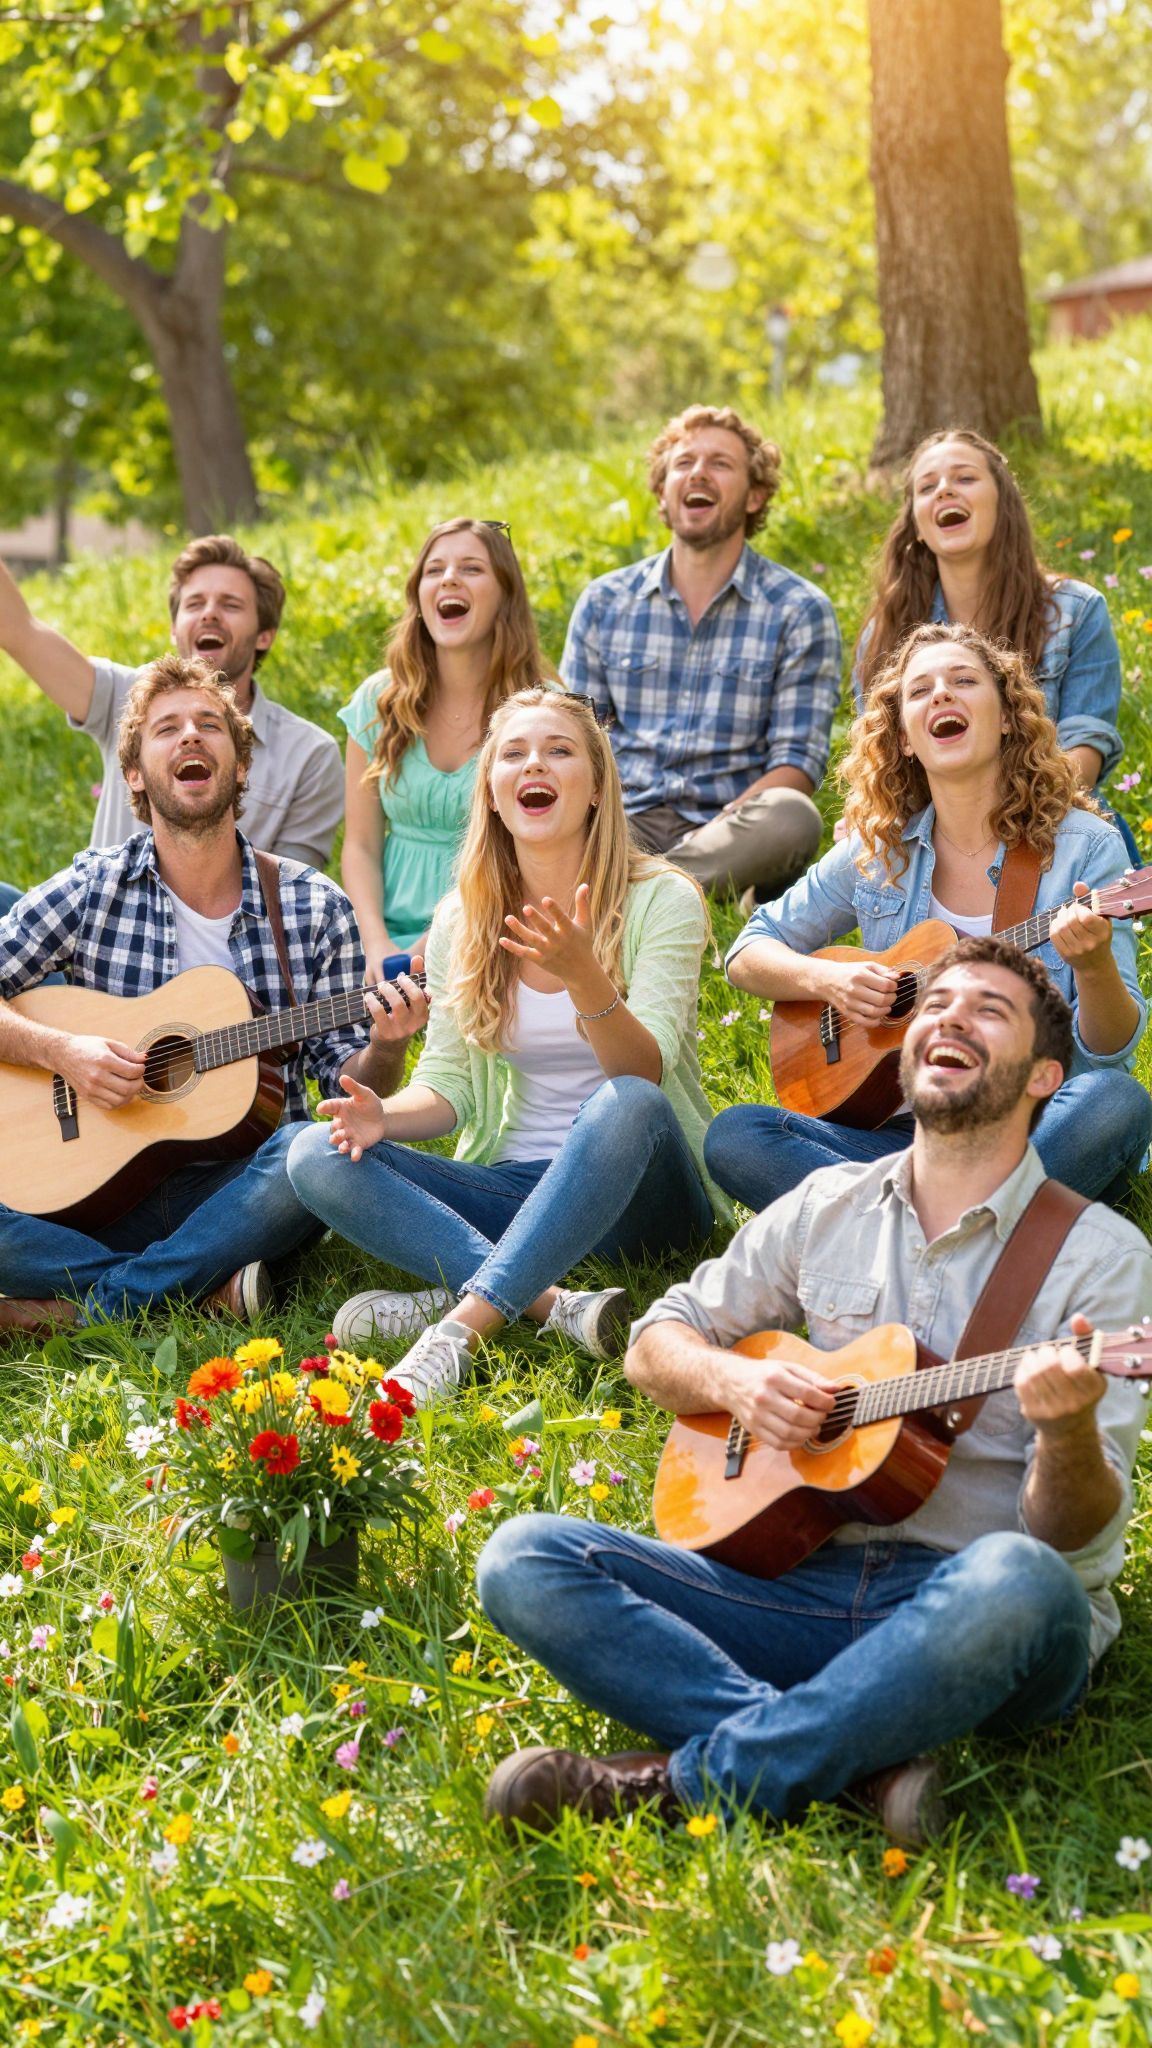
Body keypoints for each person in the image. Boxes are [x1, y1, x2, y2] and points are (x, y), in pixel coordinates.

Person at [476, 939, 1152, 1845]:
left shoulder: (1102, 1259)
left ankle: (687, 1781)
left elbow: (1076, 1539)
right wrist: (736, 1378)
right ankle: (856, 1763)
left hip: (974, 1612)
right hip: (796, 1582)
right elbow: (654, 1344)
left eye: (989, 1010)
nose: (949, 1016)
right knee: (524, 1556)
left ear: (1042, 1078)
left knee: (1023, 1577)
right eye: (938, 1004)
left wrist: (1065, 1431)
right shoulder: (825, 1202)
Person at [287, 688, 727, 1400]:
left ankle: (455, 1328)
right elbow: (451, 1086)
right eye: (514, 754)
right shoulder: (464, 916)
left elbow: (645, 1074)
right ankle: (549, 1302)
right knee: (313, 1153)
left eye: (559, 751)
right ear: (491, 793)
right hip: (518, 1187)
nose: (535, 765)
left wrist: (585, 976)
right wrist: (385, 1118)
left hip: (645, 1198)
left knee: (621, 1105)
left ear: (594, 788)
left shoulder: (662, 900)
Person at [0, 655, 423, 1334]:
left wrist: (387, 1043)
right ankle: (188, 1291)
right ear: (134, 772)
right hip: (87, 1186)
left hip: (237, 1193)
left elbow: (347, 1099)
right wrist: (63, 1050)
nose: (190, 736)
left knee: (305, 1158)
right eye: (167, 728)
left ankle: (79, 1306)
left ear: (242, 764)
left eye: (209, 726)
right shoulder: (93, 887)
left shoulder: (313, 909)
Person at [704, 622, 1149, 1212]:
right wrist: (827, 980)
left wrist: (1092, 968)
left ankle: (895, 1230)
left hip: (1031, 1131)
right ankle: (968, 1232)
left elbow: (1106, 1053)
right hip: (900, 1136)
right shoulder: (876, 853)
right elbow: (748, 949)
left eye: (964, 680)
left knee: (1113, 1101)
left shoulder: (1087, 849)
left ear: (1009, 715)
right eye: (920, 691)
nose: (942, 694)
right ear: (907, 739)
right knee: (737, 1135)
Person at [560, 405, 841, 900]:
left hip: (729, 826)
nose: (697, 473)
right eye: (684, 462)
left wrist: (719, 828)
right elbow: (575, 738)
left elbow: (797, 762)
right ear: (663, 492)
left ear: (755, 496)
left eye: (720, 463)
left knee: (792, 817)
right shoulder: (605, 602)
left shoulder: (799, 609)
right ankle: (664, 891)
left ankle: (627, 893)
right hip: (621, 824)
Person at [852, 428, 1133, 846]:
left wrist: (995, 816)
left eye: (965, 478)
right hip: (927, 837)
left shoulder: (1077, 612)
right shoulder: (886, 632)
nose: (945, 490)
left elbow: (1082, 759)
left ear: (1003, 502)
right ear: (916, 525)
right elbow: (878, 764)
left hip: (1048, 825)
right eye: (927, 487)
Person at [0, 534, 342, 870]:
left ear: (264, 635)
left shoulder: (309, 755)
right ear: (174, 630)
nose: (209, 614)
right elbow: (19, 630)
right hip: (97, 921)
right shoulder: (126, 695)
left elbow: (292, 896)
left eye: (231, 604)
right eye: (195, 604)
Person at [340, 518, 557, 978]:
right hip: (384, 942)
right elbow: (360, 845)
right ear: (419, 596)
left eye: (472, 568)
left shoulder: (543, 709)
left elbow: (542, 854)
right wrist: (375, 941)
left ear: (505, 593)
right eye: (434, 570)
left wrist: (429, 947)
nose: (449, 579)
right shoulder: (378, 702)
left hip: (499, 925)